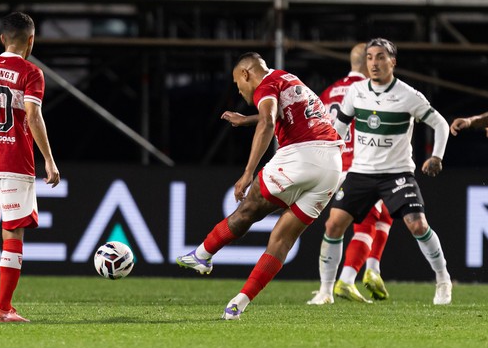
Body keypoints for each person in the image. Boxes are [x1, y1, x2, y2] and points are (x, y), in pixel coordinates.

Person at [176, 52, 343, 320]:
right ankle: (238, 304)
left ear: (245, 74)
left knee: (248, 209)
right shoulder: (287, 78)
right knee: (282, 240)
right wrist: (246, 120)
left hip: (301, 156)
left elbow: (267, 120)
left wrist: (248, 172)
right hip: (332, 166)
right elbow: (280, 114)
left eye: (236, 83)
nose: (238, 89)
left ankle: (203, 254)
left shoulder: (264, 84)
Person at [314, 38, 452, 305]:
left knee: (418, 224)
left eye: (380, 57)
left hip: (397, 173)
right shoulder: (355, 92)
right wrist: (328, 158)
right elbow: (340, 129)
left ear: (392, 62)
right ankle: (326, 292)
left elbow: (441, 124)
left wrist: (436, 156)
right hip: (360, 173)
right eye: (370, 58)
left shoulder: (408, 95)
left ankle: (443, 280)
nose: (374, 63)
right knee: (333, 225)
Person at [0, 13, 60, 323]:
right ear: (31, 40)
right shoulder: (31, 72)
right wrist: (49, 159)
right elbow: (33, 116)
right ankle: (4, 309)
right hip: (12, 161)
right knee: (12, 231)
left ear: (2, 39)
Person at [309, 43, 395, 305]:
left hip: (333, 167)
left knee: (382, 216)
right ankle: (343, 282)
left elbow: (316, 129)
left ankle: (371, 270)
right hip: (364, 167)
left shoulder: (329, 91)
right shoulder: (369, 91)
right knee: (364, 224)